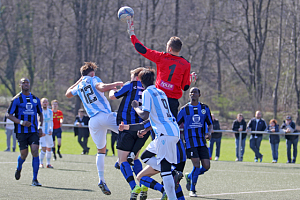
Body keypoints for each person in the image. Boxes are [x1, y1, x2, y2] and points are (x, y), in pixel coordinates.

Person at [65, 62, 123, 195]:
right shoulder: (93, 79)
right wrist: (113, 85)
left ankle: (101, 179)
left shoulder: (80, 85)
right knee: (127, 131)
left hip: (93, 121)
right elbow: (101, 87)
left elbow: (67, 93)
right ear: (92, 73)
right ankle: (121, 160)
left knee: (101, 151)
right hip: (105, 115)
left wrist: (79, 80)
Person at [124, 68, 180, 200]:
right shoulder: (160, 91)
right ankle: (173, 172)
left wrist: (136, 106)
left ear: (141, 81)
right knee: (145, 156)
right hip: (171, 131)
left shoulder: (147, 93)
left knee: (165, 171)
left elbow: (144, 115)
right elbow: (157, 115)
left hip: (165, 133)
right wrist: (146, 129)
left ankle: (172, 195)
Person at [126, 17, 194, 118]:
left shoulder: (161, 57)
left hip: (158, 97)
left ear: (170, 48)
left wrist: (132, 34)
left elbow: (142, 49)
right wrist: (190, 79)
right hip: (172, 102)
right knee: (170, 126)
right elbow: (185, 87)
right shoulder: (186, 64)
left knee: (155, 125)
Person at [109, 67, 150, 200]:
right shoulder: (148, 88)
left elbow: (112, 96)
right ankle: (143, 184)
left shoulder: (131, 85)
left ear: (136, 77)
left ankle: (134, 186)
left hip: (126, 126)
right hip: (140, 129)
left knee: (122, 161)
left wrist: (112, 89)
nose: (131, 79)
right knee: (135, 158)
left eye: (132, 76)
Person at [119, 119, 186, 200]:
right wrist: (146, 130)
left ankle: (164, 188)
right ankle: (172, 181)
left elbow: (142, 124)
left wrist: (135, 108)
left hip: (169, 153)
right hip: (180, 153)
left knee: (141, 176)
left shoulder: (156, 114)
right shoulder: (167, 116)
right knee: (172, 180)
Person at [177, 87, 213, 197]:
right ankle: (192, 189)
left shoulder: (205, 108)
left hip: (201, 141)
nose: (193, 93)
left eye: (195, 92)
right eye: (191, 92)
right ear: (189, 95)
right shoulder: (184, 109)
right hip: (189, 141)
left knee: (206, 166)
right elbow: (176, 124)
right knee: (196, 165)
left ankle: (189, 176)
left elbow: (210, 124)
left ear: (199, 95)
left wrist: (209, 133)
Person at [7, 77, 43, 186]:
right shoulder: (16, 99)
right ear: (20, 85)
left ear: (30, 84)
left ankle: (35, 179)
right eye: (23, 83)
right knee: (24, 154)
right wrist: (21, 122)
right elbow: (8, 115)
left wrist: (40, 127)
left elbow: (40, 114)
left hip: (33, 131)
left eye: (27, 82)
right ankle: (19, 168)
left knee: (35, 151)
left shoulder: (36, 99)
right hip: (21, 131)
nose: (26, 84)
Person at [39, 98, 54, 168]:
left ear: (48, 103)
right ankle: (41, 163)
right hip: (42, 133)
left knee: (49, 148)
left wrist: (51, 130)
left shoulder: (50, 112)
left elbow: (51, 121)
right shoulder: (39, 111)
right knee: (43, 148)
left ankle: (48, 163)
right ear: (41, 103)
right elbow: (37, 122)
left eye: (46, 102)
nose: (45, 103)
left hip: (48, 133)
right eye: (43, 102)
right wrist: (40, 131)